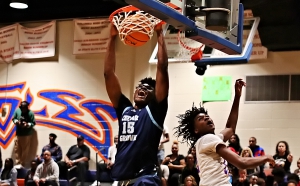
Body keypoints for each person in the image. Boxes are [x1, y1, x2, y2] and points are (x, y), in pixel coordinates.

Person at [174, 79, 275, 186]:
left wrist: (237, 97)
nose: (206, 117)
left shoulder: (207, 141)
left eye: (207, 116)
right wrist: (265, 157)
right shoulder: (208, 139)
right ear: (196, 130)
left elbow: (230, 128)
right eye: (201, 119)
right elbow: (241, 162)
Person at [104, 23, 169, 186]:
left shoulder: (155, 110)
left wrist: (159, 33)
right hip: (120, 179)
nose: (142, 89)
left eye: (148, 88)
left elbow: (162, 67)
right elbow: (108, 73)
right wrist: (112, 38)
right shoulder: (125, 109)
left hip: (144, 178)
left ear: (154, 95)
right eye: (140, 87)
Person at [12, 101, 36, 168]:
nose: (23, 110)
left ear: (27, 107)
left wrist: (27, 124)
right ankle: (17, 163)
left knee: (25, 150)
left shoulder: (30, 113)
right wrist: (17, 122)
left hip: (26, 134)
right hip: (18, 133)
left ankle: (22, 164)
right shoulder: (17, 111)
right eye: (22, 108)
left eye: (24, 108)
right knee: (17, 149)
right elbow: (14, 119)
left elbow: (33, 123)